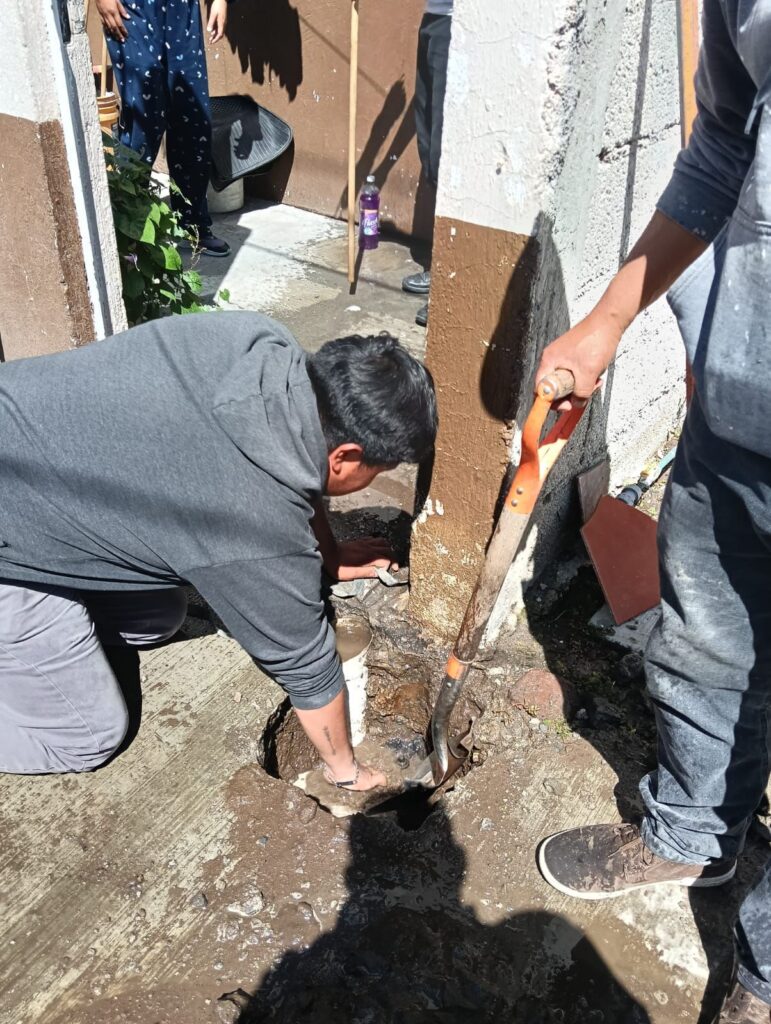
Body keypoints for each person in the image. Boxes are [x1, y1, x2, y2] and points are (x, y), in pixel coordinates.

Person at [534, 2, 771, 1019]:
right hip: (741, 403)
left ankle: (765, 976)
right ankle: (691, 836)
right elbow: (722, 144)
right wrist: (606, 322)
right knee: (705, 638)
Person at [0, 312, 436, 793]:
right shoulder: (249, 522)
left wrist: (328, 553)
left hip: (25, 456)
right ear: (346, 456)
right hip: (10, 540)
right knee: (89, 734)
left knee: (157, 617)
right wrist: (347, 771)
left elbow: (301, 468)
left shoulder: (261, 344)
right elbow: (306, 666)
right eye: (378, 471)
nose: (374, 480)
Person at [95, 0, 232, 257]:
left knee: (193, 119)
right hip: (131, 10)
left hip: (182, 10)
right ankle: (129, 235)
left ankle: (192, 226)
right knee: (142, 123)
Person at [401, 0, 453, 328]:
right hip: (434, 18)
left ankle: (449, 284)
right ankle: (442, 269)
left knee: (444, 151)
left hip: (456, 23)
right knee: (430, 147)